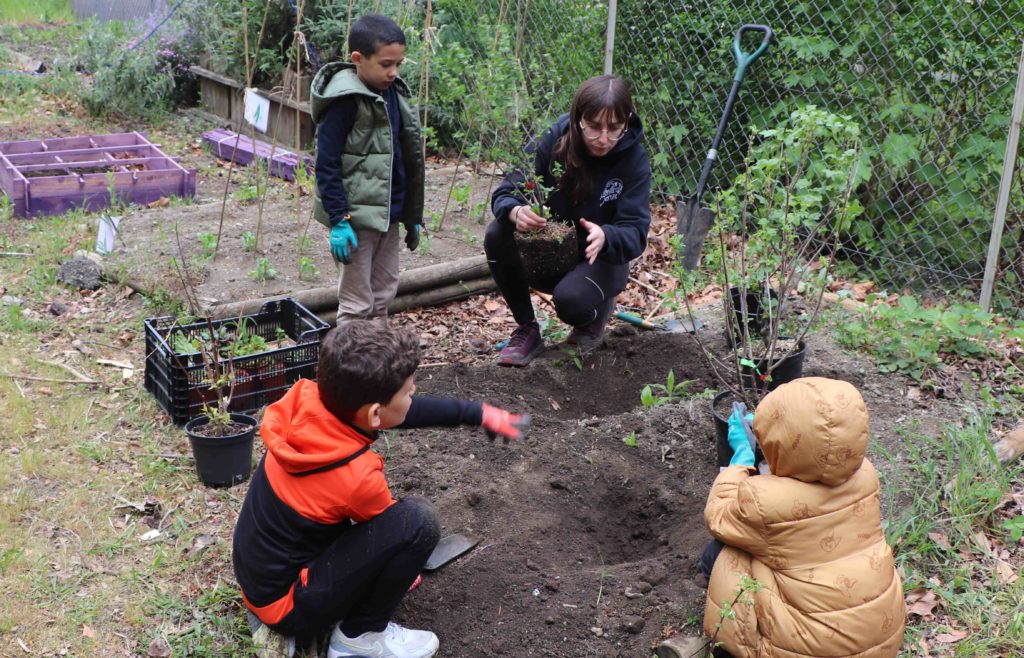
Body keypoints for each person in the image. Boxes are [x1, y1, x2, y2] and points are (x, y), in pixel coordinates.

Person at [232, 322, 526, 658]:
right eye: (408, 391)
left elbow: (395, 413)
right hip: (289, 606)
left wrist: (477, 413)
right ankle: (359, 638)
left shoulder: (308, 402)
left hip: (260, 577)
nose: (414, 392)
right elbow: (393, 532)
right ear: (374, 413)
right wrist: (398, 567)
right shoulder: (355, 477)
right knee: (416, 524)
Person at [700, 378, 905, 658]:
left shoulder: (764, 502)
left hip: (809, 651)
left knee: (724, 555)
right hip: (881, 641)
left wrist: (739, 463)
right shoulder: (866, 476)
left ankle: (731, 651)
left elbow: (718, 516)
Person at [485, 74, 652, 366]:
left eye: (614, 128)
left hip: (599, 259)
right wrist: (515, 211)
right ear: (578, 119)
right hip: (550, 251)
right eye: (594, 127)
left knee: (571, 302)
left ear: (625, 123)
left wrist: (607, 236)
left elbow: (636, 232)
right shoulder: (554, 139)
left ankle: (593, 314)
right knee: (498, 233)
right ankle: (527, 329)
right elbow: (506, 191)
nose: (603, 139)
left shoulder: (633, 159)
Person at [311, 14, 424, 324]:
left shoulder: (393, 95)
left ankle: (377, 363)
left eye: (399, 63)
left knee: (383, 294)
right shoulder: (345, 101)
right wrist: (337, 219)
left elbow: (404, 157)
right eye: (386, 64)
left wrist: (411, 215)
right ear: (358, 59)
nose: (394, 71)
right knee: (356, 303)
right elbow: (327, 163)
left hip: (388, 215)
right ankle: (349, 368)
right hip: (356, 222)